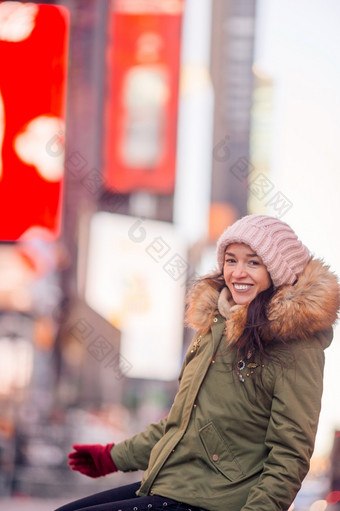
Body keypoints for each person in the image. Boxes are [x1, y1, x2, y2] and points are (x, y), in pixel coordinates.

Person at [56, 214, 340, 511]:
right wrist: (111, 456)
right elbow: (180, 425)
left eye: (253, 262)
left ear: (277, 270)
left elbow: (290, 453)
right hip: (172, 483)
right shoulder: (215, 327)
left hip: (214, 499)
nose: (238, 273)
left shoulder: (294, 344)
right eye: (231, 260)